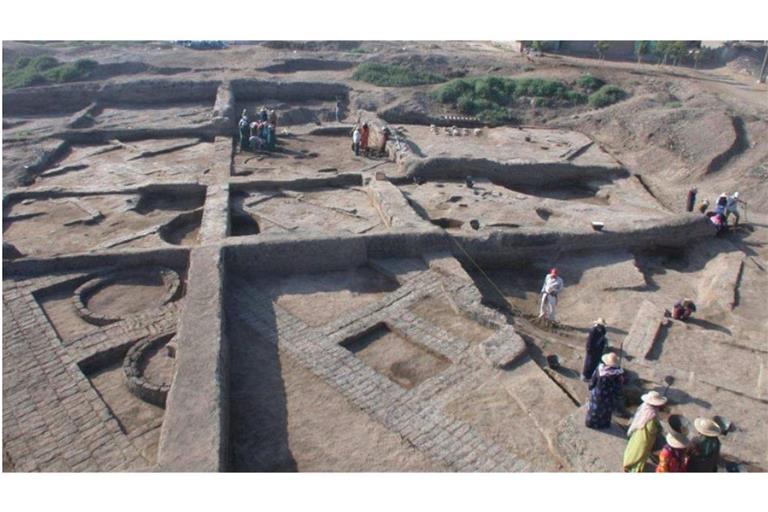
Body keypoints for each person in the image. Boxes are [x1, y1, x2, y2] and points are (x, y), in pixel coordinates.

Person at [623, 390, 667, 472]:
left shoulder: (644, 406)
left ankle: (628, 462)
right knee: (640, 453)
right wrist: (658, 429)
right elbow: (651, 429)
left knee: (633, 449)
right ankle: (635, 468)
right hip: (644, 438)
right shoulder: (652, 414)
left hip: (637, 432)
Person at [585, 352, 625, 429]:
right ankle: (604, 424)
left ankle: (591, 423)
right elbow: (618, 387)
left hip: (597, 394)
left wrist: (590, 387)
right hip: (609, 397)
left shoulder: (600, 369)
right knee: (606, 411)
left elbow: (593, 380)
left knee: (595, 409)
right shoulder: (617, 374)